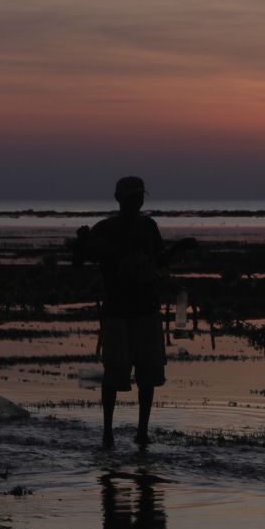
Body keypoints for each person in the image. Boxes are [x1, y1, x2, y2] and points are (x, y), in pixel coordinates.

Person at [74, 176, 196, 449]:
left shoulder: (148, 227)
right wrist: (83, 242)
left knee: (148, 374)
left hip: (146, 310)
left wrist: (181, 246)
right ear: (119, 199)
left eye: (140, 196)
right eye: (132, 197)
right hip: (117, 312)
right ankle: (107, 432)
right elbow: (78, 261)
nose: (137, 201)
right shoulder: (104, 229)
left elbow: (159, 260)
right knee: (113, 373)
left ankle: (142, 431)